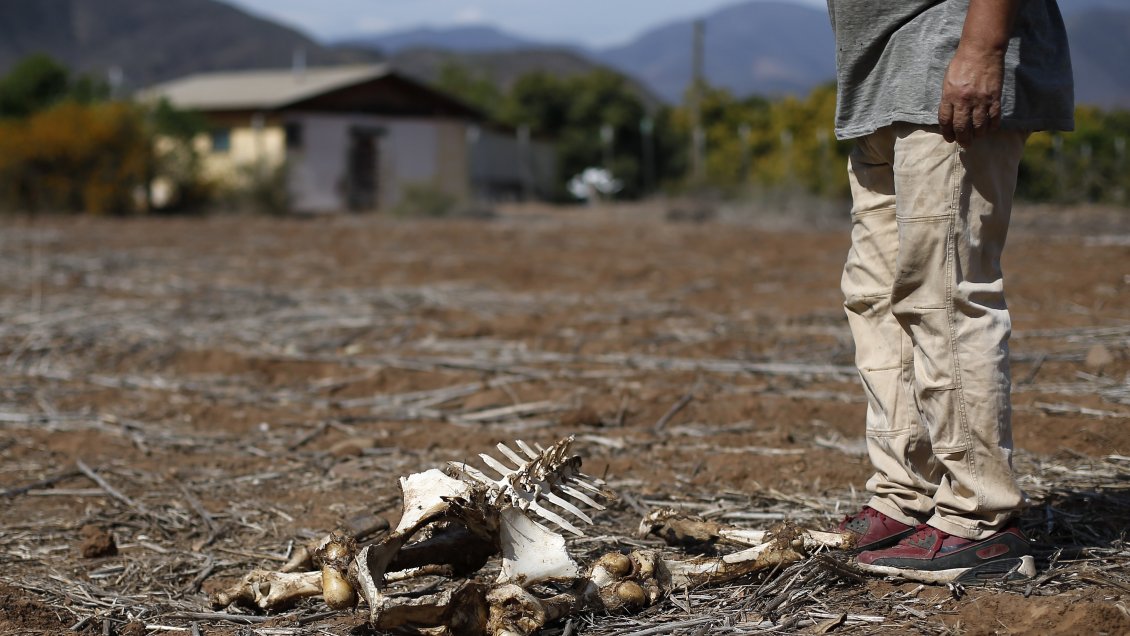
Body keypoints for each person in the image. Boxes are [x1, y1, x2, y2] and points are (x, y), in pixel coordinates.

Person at [825, 0, 1074, 584]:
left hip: (951, 53)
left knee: (945, 294)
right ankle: (904, 497)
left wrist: (983, 48)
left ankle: (982, 520)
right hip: (881, 79)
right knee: (878, 299)